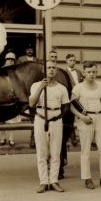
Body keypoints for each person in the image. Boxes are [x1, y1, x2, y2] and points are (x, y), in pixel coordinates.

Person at [70, 61, 101, 189]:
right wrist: (82, 117)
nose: (91, 74)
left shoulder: (100, 85)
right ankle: (87, 178)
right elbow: (72, 106)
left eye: (94, 72)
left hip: (100, 117)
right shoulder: (78, 88)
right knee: (86, 151)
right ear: (84, 73)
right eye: (89, 72)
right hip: (86, 118)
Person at [29, 60, 70, 193]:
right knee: (42, 152)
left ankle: (54, 181)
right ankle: (43, 182)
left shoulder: (61, 88)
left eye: (53, 68)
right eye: (48, 68)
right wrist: (41, 87)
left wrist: (57, 117)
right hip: (41, 118)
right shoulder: (36, 85)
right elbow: (31, 103)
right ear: (44, 70)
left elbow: (66, 106)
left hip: (56, 119)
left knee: (55, 152)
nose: (51, 70)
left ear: (56, 70)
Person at [0, 52, 19, 147]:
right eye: (9, 59)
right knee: (2, 119)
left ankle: (11, 138)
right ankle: (3, 137)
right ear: (5, 60)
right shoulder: (1, 70)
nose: (10, 61)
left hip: (12, 97)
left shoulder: (16, 71)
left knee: (12, 119)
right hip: (2, 96)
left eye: (12, 60)